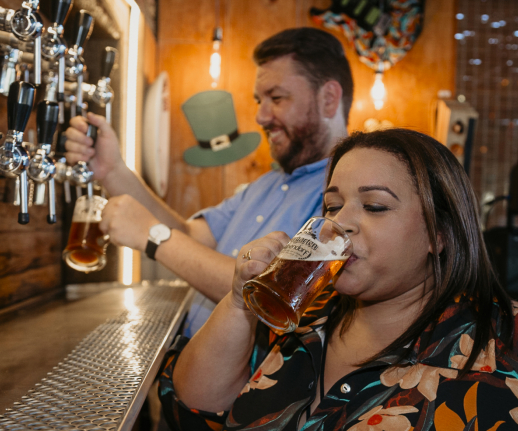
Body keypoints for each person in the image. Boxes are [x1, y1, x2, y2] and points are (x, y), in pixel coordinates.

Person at [158, 128, 518, 430]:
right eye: (333, 206)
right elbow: (193, 409)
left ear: (438, 234)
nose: (341, 222)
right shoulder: (300, 314)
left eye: (374, 206)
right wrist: (239, 300)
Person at [64, 28, 353, 335]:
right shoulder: (266, 184)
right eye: (259, 100)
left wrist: (153, 237)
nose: (260, 116)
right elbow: (190, 234)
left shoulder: (342, 199)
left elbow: (270, 294)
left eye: (276, 98)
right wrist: (111, 171)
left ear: (329, 99)